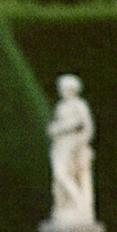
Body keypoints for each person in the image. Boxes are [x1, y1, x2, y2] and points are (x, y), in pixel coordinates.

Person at [47, 74, 95, 224]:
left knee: (62, 173)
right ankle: (71, 205)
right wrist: (55, 130)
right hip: (60, 146)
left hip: (73, 147)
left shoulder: (79, 105)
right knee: (59, 176)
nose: (61, 91)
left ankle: (79, 202)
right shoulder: (61, 106)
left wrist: (80, 144)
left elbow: (88, 128)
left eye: (64, 88)